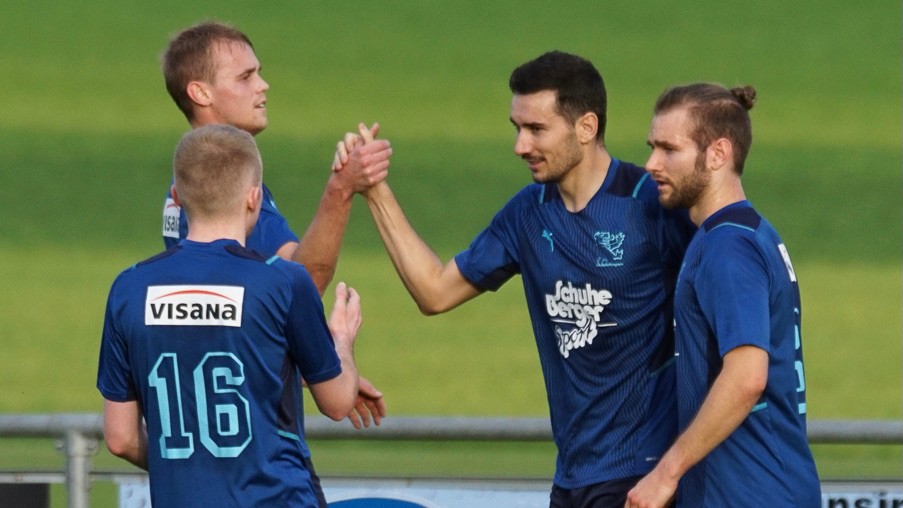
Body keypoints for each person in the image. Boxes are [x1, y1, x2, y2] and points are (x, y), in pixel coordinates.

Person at [336, 51, 694, 507]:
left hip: (643, 476)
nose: (520, 146)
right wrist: (374, 190)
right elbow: (434, 292)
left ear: (586, 127)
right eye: (517, 128)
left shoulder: (653, 205)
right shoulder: (528, 213)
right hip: (571, 478)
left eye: (536, 129)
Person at [159, 22, 387, 506]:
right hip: (265, 478)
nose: (263, 86)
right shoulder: (228, 200)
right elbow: (301, 279)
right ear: (200, 92)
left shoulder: (189, 191)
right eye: (245, 76)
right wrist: (342, 188)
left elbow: (235, 319)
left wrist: (311, 361)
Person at [99, 125, 364, 506]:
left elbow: (121, 438)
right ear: (254, 198)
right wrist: (342, 342)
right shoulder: (285, 282)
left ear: (177, 197)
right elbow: (337, 402)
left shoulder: (129, 288)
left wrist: (192, 472)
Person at [625, 83, 821, 507]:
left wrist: (666, 473)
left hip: (751, 496)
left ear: (718, 153)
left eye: (668, 149)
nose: (651, 164)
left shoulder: (727, 247)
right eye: (652, 148)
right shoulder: (746, 233)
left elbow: (747, 377)